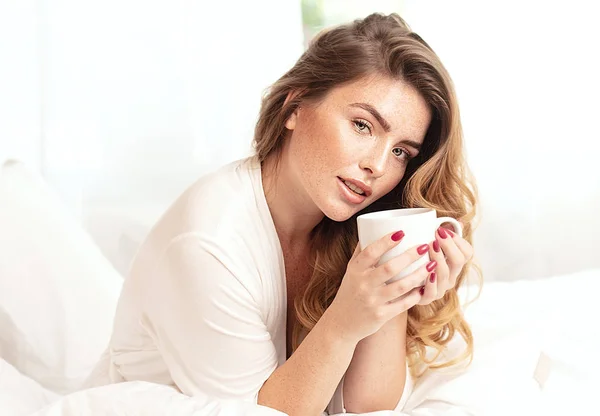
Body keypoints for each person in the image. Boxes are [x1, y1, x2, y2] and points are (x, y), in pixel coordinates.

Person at [107, 12, 479, 416]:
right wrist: (343, 322)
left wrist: (393, 289)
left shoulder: (339, 225)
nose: (378, 165)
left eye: (400, 152)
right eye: (362, 125)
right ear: (294, 105)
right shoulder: (207, 246)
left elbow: (367, 407)